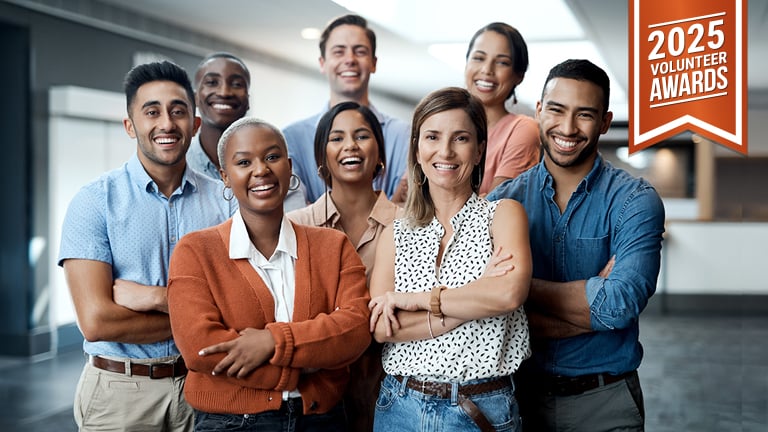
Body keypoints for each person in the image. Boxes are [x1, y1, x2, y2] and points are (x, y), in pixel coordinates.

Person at [487, 59, 666, 432]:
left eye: (584, 115)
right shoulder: (502, 202)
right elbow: (489, 316)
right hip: (517, 401)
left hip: (605, 402)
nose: (567, 128)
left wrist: (518, 288)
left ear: (604, 121)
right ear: (538, 111)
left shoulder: (635, 200)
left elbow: (619, 305)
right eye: (556, 110)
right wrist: (591, 306)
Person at [58, 60, 236, 432]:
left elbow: (241, 308)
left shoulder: (225, 202)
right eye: (151, 112)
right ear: (130, 125)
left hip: (205, 387)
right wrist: (200, 315)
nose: (166, 124)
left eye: (178, 111)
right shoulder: (94, 201)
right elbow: (96, 321)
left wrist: (154, 298)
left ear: (196, 124)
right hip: (120, 394)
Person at [167, 117, 372, 431]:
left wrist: (272, 342)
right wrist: (301, 367)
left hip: (321, 419)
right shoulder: (195, 251)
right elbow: (201, 349)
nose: (261, 170)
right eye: (244, 162)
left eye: (272, 157)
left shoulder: (333, 246)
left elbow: (354, 330)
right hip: (231, 423)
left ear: (289, 167)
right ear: (225, 176)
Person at [368, 87, 532, 432]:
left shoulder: (503, 215)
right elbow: (383, 328)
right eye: (432, 137)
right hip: (400, 404)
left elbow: (507, 295)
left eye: (460, 138)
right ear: (417, 148)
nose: (445, 151)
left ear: (479, 150)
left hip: (480, 408)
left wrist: (413, 302)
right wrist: (472, 300)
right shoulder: (395, 232)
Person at [287, 101, 402, 431]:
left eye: (362, 135)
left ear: (379, 153)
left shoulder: (410, 225)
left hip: (390, 387)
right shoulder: (294, 227)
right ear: (321, 157)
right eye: (336, 138)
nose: (350, 145)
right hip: (314, 391)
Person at [283, 14, 410, 203]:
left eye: (360, 51)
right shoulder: (292, 137)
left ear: (373, 63)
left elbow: (407, 207)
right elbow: (296, 212)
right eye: (339, 51)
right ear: (322, 63)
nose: (349, 59)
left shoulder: (403, 134)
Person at [190, 52, 307, 211]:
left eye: (237, 84)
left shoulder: (276, 170)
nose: (224, 92)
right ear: (195, 97)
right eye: (212, 82)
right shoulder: (181, 166)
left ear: (248, 99)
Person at [464, 22, 540, 195]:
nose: (487, 70)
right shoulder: (440, 122)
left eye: (502, 62)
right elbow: (406, 198)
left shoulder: (523, 129)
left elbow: (493, 206)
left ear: (518, 75)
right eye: (479, 58)